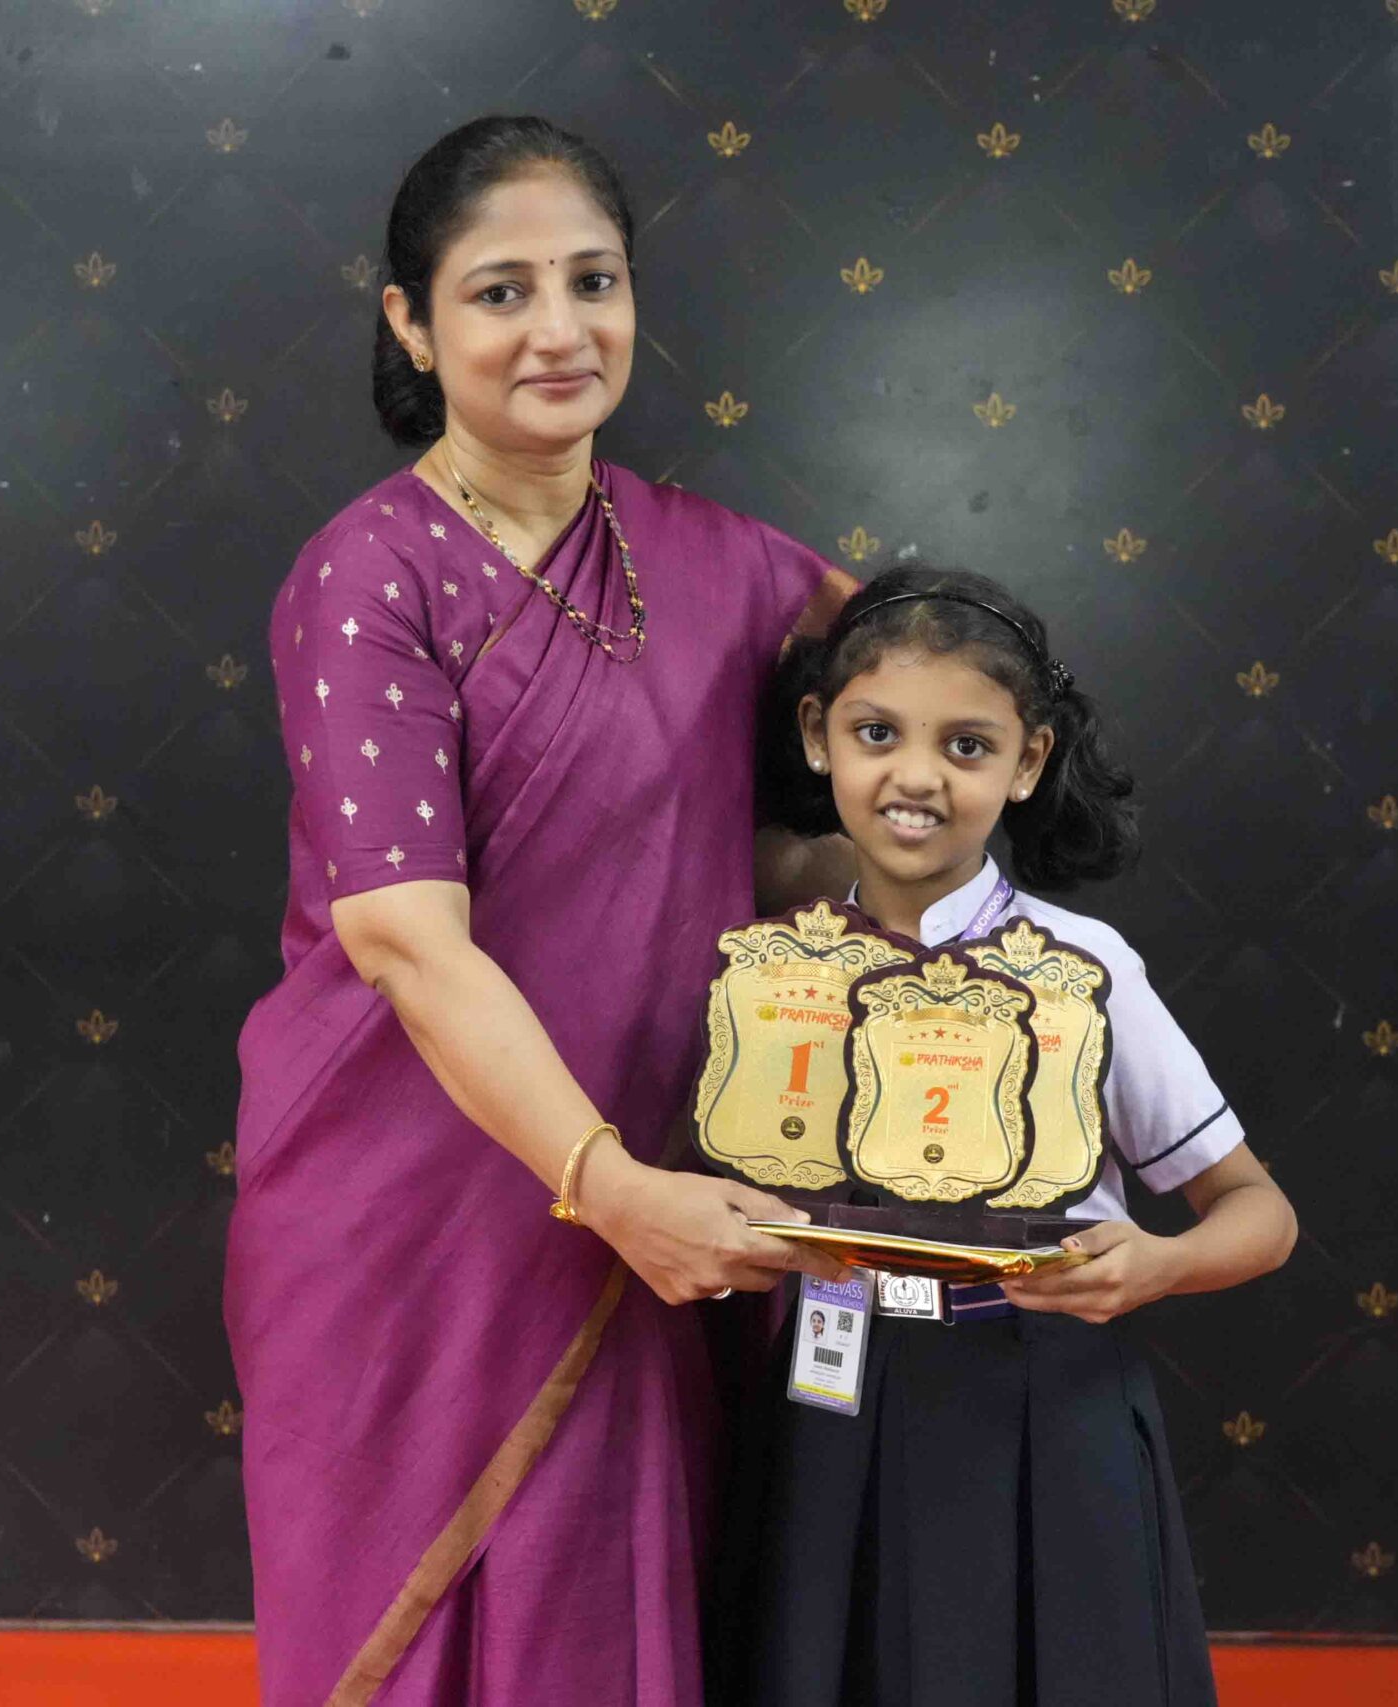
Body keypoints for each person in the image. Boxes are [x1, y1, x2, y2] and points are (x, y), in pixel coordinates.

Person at [223, 115, 853, 1706]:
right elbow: (403, 936)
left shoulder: (724, 565)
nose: (559, 329)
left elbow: (894, 745)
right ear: (410, 323)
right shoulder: (369, 578)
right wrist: (606, 1184)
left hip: (673, 1190)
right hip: (420, 1204)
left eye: (594, 280)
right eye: (500, 291)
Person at [714, 566, 1300, 1707]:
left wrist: (1159, 1264)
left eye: (968, 746)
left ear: (1027, 762)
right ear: (818, 736)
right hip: (831, 1393)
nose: (916, 776)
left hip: (1045, 1404)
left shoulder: (1081, 971)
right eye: (877, 732)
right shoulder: (770, 969)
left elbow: (1260, 1214)